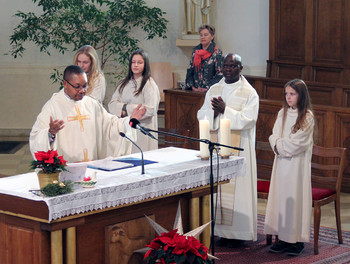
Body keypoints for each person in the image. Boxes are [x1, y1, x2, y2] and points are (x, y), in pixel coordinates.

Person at [197, 53, 259, 245]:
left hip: (239, 148)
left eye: (233, 66)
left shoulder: (249, 92)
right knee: (219, 190)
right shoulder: (215, 89)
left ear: (240, 68)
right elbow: (201, 114)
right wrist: (213, 112)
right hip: (217, 147)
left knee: (237, 187)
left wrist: (226, 110)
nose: (228, 69)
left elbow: (250, 119)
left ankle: (239, 234)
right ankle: (220, 231)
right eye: (226, 66)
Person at [30, 65, 146, 163]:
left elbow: (111, 125)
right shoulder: (53, 106)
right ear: (65, 84)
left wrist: (129, 120)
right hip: (66, 170)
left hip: (92, 167)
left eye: (85, 85)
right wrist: (50, 133)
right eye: (77, 86)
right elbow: (36, 136)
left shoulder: (91, 104)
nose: (82, 90)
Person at [264, 79, 314, 256]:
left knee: (294, 199)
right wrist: (279, 144)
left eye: (292, 94)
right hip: (281, 165)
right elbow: (273, 136)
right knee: (280, 199)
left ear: (301, 95)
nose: (288, 97)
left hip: (296, 167)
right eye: (286, 94)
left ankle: (296, 241)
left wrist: (279, 145)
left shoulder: (307, 116)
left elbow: (298, 143)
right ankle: (282, 239)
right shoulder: (282, 113)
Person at [108, 49, 160, 153]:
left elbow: (150, 109)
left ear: (145, 65)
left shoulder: (149, 84)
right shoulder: (123, 82)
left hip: (142, 128)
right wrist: (129, 110)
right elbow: (112, 104)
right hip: (125, 126)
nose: (135, 65)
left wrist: (125, 109)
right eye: (133, 62)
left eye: (139, 62)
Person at [185, 24, 223, 92]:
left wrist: (207, 89)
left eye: (206, 35)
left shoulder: (217, 53)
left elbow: (220, 74)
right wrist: (193, 87)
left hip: (210, 91)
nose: (203, 37)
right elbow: (190, 71)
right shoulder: (195, 52)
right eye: (201, 35)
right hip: (195, 91)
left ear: (212, 37)